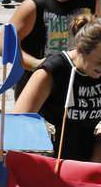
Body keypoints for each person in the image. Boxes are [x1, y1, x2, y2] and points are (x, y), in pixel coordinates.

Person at [14, 14, 101, 162]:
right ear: (81, 49)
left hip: (90, 161)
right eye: (99, 62)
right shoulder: (52, 71)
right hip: (52, 160)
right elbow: (17, 123)